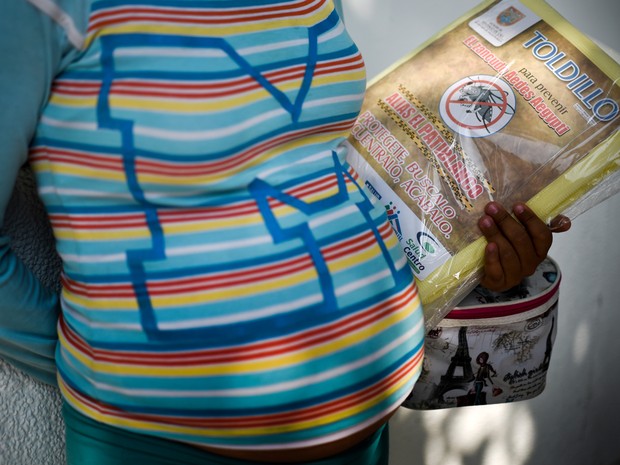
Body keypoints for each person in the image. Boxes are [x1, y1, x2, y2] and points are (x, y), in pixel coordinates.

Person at [0, 1, 570, 464]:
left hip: (369, 425)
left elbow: (308, 166)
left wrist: (482, 252)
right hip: (160, 443)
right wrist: (85, 351)